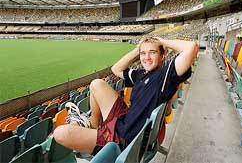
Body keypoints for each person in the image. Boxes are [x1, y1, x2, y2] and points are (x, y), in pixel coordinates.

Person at [53, 37, 198, 154]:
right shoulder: (142, 74)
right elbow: (116, 69)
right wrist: (138, 49)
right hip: (125, 119)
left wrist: (160, 41)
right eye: (143, 53)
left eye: (152, 52)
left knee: (60, 133)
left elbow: (191, 47)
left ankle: (80, 124)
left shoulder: (165, 76)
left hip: (123, 137)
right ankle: (92, 126)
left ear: (162, 55)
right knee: (96, 84)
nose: (146, 57)